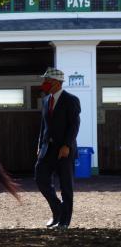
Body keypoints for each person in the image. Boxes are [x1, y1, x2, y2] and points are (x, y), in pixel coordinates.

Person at [35, 67, 81, 230]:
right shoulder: (47, 100)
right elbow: (44, 125)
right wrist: (40, 145)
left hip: (64, 150)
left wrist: (67, 145)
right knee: (40, 179)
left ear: (56, 82)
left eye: (47, 80)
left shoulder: (71, 100)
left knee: (66, 186)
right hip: (47, 149)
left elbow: (74, 125)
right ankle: (58, 211)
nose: (44, 83)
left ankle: (64, 221)